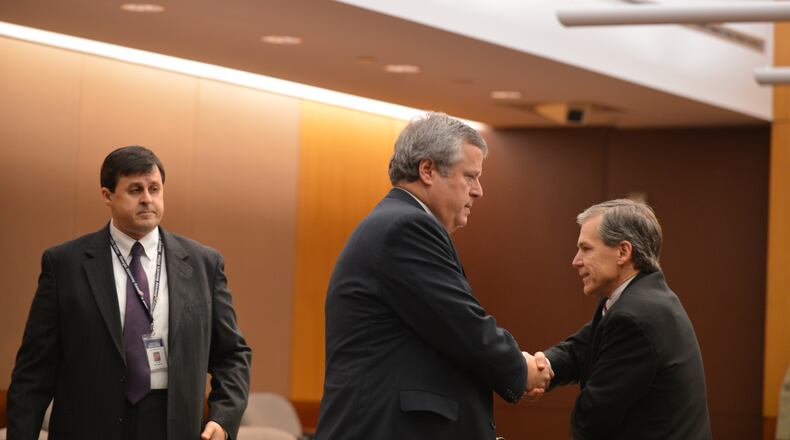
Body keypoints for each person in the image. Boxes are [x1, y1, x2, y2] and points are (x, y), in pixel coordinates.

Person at [314, 112, 551, 440]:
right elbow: (463, 326)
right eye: (470, 177)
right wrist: (521, 369)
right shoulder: (407, 227)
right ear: (427, 170)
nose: (479, 191)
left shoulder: (396, 222)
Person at [7, 146, 252, 440]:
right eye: (135, 189)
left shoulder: (204, 264)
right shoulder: (65, 265)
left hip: (173, 425)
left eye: (154, 189)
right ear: (107, 195)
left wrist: (223, 418)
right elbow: (34, 370)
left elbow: (232, 355)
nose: (147, 199)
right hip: (90, 426)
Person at [537, 199, 711, 439]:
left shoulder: (634, 316)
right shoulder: (638, 298)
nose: (575, 261)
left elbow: (592, 417)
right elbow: (580, 349)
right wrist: (542, 365)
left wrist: (525, 375)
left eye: (586, 249)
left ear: (623, 252)